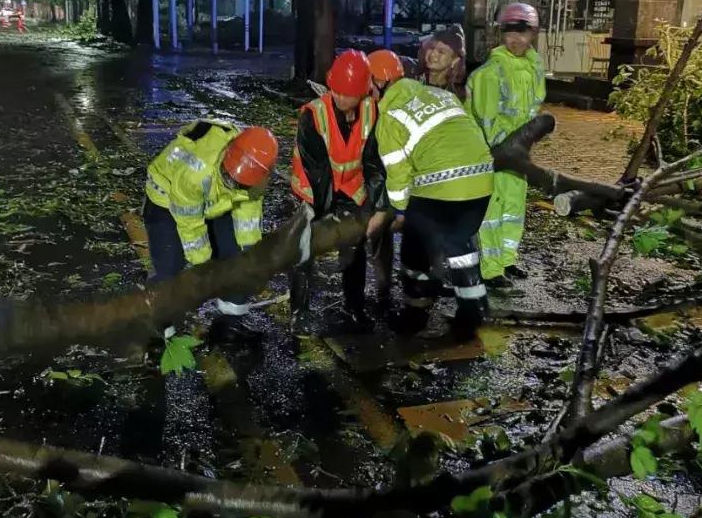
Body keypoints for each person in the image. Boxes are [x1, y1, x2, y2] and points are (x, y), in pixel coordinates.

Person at [373, 60, 494, 340]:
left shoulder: (390, 114)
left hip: (441, 189)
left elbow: (397, 171)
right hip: (482, 181)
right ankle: (472, 312)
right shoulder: (441, 94)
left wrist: (399, 211)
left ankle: (415, 315)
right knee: (461, 248)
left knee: (415, 250)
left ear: (378, 84)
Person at [289, 50, 388, 329]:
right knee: (303, 249)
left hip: (353, 188)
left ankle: (354, 305)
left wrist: (379, 206)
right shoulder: (313, 115)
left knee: (354, 248)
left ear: (364, 92)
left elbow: (373, 162)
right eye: (337, 92)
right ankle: (299, 313)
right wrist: (325, 215)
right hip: (314, 191)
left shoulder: (373, 111)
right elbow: (317, 170)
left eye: (350, 94)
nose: (342, 99)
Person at [465, 2, 546, 286]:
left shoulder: (534, 67)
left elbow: (533, 110)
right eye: (509, 32)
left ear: (533, 33)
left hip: (518, 152)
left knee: (513, 208)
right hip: (494, 154)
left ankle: (507, 259)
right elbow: (487, 120)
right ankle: (490, 269)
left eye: (522, 32)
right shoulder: (491, 71)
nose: (515, 39)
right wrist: (500, 150)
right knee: (492, 211)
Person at [144, 121, 277, 282]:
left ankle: (230, 302)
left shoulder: (253, 175)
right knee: (170, 268)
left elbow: (247, 216)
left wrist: (250, 255)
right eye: (230, 178)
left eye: (240, 184)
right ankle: (157, 301)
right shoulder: (196, 172)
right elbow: (190, 225)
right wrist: (202, 265)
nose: (232, 184)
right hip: (167, 197)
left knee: (233, 258)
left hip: (212, 198)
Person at [415, 26, 468, 99]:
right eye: (431, 48)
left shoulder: (457, 94)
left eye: (441, 52)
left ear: (455, 60)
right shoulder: (411, 76)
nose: (433, 54)